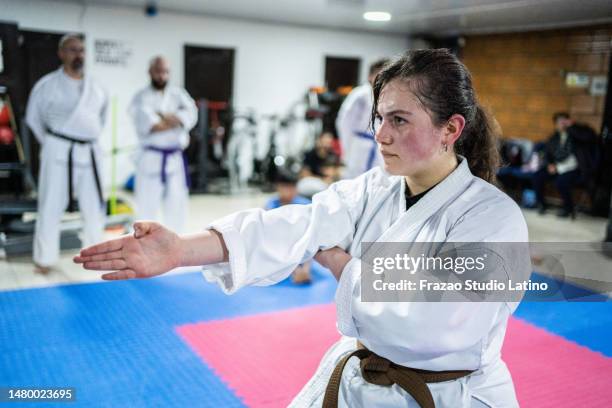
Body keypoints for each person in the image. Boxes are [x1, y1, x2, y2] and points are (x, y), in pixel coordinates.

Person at [75, 49, 530, 407]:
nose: (380, 135)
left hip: (448, 396)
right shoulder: (375, 187)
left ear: (450, 128)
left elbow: (437, 321)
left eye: (399, 120)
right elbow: (299, 222)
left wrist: (343, 266)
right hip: (364, 381)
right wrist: (180, 250)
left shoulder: (492, 218)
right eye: (380, 117)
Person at [26, 33, 108, 274]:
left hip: (90, 152)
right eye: (72, 49)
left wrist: (84, 137)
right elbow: (33, 118)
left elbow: (100, 119)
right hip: (58, 150)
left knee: (95, 208)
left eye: (81, 50)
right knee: (50, 205)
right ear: (61, 53)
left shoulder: (97, 86)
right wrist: (54, 142)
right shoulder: (47, 85)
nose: (78, 54)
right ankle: (44, 259)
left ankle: (97, 256)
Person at [129, 56, 197, 233]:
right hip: (151, 157)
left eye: (165, 72)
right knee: (146, 206)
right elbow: (152, 126)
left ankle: (175, 246)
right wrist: (176, 119)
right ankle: (144, 245)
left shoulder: (178, 94)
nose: (162, 76)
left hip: (175, 158)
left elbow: (191, 114)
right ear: (150, 71)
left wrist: (163, 115)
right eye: (158, 71)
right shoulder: (141, 97)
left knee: (177, 206)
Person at [532, 112, 598, 218]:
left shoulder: (577, 134)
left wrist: (572, 126)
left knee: (561, 182)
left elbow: (588, 137)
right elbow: (547, 153)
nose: (561, 124)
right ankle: (541, 204)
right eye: (559, 122)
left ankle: (568, 209)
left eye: (564, 121)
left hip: (574, 168)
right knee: (537, 176)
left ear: (569, 122)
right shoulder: (554, 137)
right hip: (558, 166)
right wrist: (550, 164)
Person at [335, 58, 389, 179]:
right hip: (359, 144)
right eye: (378, 74)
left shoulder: (387, 94)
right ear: (370, 76)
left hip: (377, 146)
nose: (382, 78)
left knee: (378, 180)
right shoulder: (360, 94)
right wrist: (346, 148)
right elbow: (344, 122)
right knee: (354, 180)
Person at [264, 168, 312, 284]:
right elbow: (270, 237)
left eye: (292, 188)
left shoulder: (305, 205)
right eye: (286, 187)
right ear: (278, 187)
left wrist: (305, 268)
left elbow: (310, 237)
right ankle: (296, 271)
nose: (289, 191)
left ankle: (303, 271)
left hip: (301, 247)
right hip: (278, 247)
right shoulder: (271, 206)